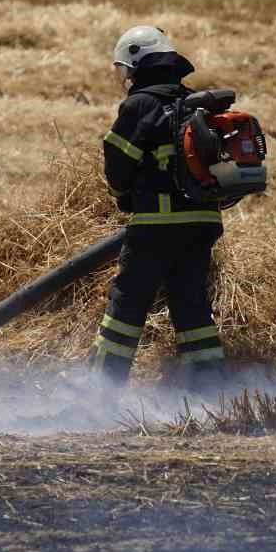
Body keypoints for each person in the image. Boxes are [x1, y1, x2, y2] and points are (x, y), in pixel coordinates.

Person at [91, 25, 227, 388]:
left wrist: (124, 195)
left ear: (137, 64)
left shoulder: (140, 105)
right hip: (202, 222)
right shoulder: (193, 101)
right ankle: (212, 387)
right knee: (191, 304)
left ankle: (103, 389)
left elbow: (117, 162)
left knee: (127, 304)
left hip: (156, 224)